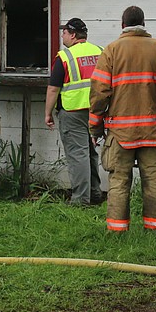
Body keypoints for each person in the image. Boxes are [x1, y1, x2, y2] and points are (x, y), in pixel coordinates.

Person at [88, 5, 156, 233]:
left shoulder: (111, 51)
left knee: (118, 182)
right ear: (144, 24)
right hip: (153, 132)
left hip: (120, 133)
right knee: (153, 181)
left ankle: (117, 231)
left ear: (122, 24)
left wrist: (95, 128)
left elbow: (99, 93)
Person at [44, 17, 104, 206]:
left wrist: (47, 113)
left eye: (64, 32)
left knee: (78, 154)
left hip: (73, 111)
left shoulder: (65, 56)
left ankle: (80, 200)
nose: (62, 35)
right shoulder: (100, 52)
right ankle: (95, 193)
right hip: (96, 111)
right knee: (90, 152)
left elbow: (53, 88)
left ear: (73, 35)